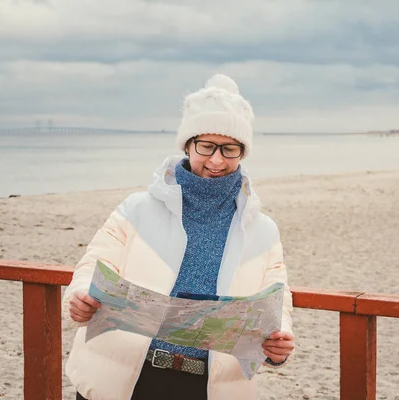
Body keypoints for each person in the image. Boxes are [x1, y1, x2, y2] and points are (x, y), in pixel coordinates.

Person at [63, 74, 295, 400]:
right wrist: (80, 297)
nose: (216, 160)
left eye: (229, 149)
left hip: (208, 389)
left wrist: (279, 342)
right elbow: (93, 265)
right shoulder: (137, 209)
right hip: (121, 381)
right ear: (187, 145)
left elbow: (277, 300)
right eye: (206, 146)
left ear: (242, 152)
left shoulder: (263, 231)